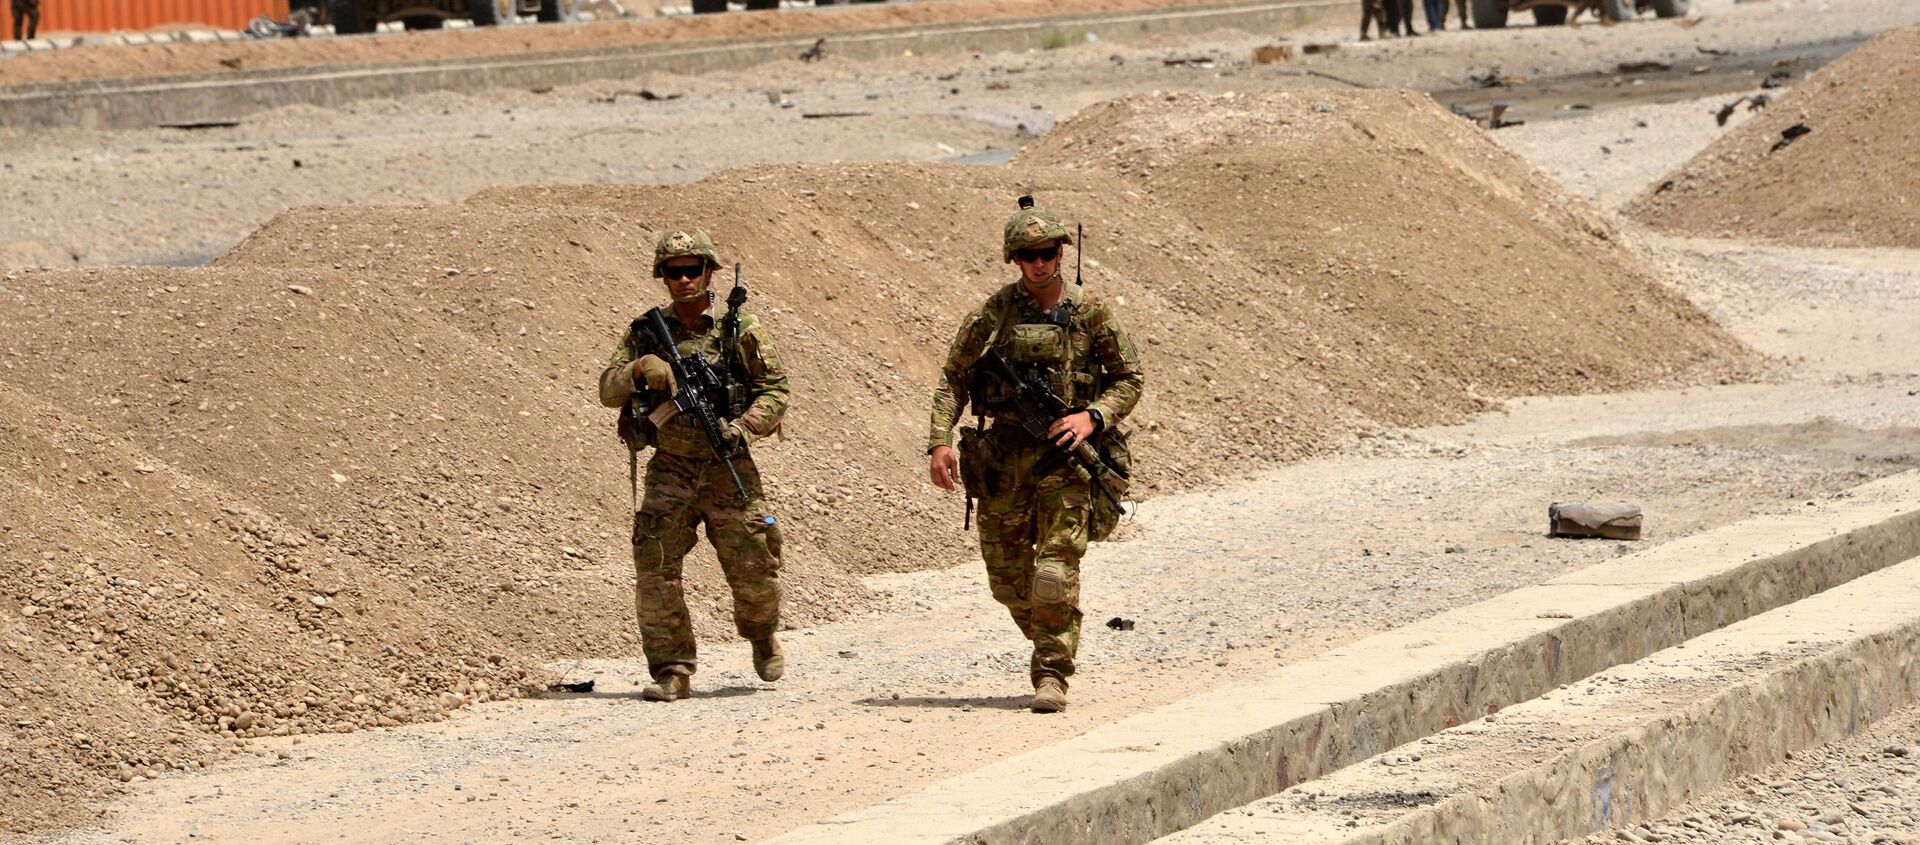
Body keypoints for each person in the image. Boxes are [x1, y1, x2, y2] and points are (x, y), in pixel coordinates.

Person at [926, 198, 1144, 714]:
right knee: (1007, 583)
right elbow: (952, 379)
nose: (1039, 262)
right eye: (1028, 255)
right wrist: (939, 440)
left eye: (1046, 252)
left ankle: (1051, 671)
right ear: (1014, 259)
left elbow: (1130, 379)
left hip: (1065, 461)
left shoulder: (1092, 313)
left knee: (1053, 571)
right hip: (1004, 462)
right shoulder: (993, 314)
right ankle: (1058, 626)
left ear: (1061, 253)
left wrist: (1092, 416)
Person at [598, 228, 791, 703]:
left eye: (692, 270)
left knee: (754, 567)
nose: (683, 279)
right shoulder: (645, 331)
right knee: (655, 567)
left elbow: (776, 389)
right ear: (662, 277)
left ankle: (761, 634)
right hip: (672, 467)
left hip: (729, 465)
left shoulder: (739, 330)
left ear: (709, 273)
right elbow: (607, 389)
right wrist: (640, 368)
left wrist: (743, 427)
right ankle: (673, 669)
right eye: (672, 271)